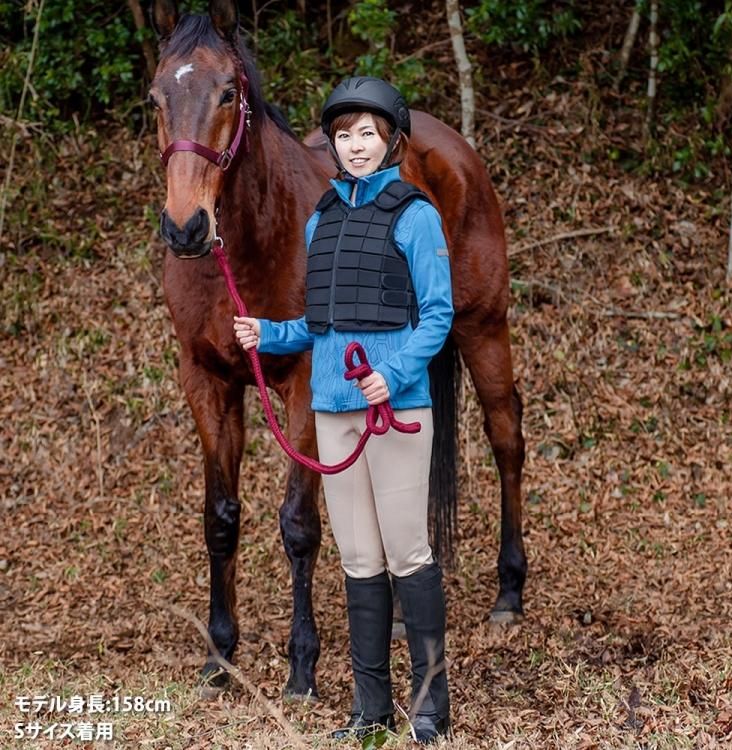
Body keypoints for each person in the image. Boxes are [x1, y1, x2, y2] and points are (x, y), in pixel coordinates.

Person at [233, 77, 453, 744]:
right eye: (344, 134)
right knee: (357, 558)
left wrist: (393, 373)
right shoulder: (319, 219)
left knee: (407, 552)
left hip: (396, 411)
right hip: (332, 410)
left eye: (367, 134)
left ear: (388, 142)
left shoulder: (416, 215)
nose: (355, 145)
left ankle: (430, 704)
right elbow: (321, 323)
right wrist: (268, 336)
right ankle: (370, 709)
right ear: (331, 142)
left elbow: (437, 314)